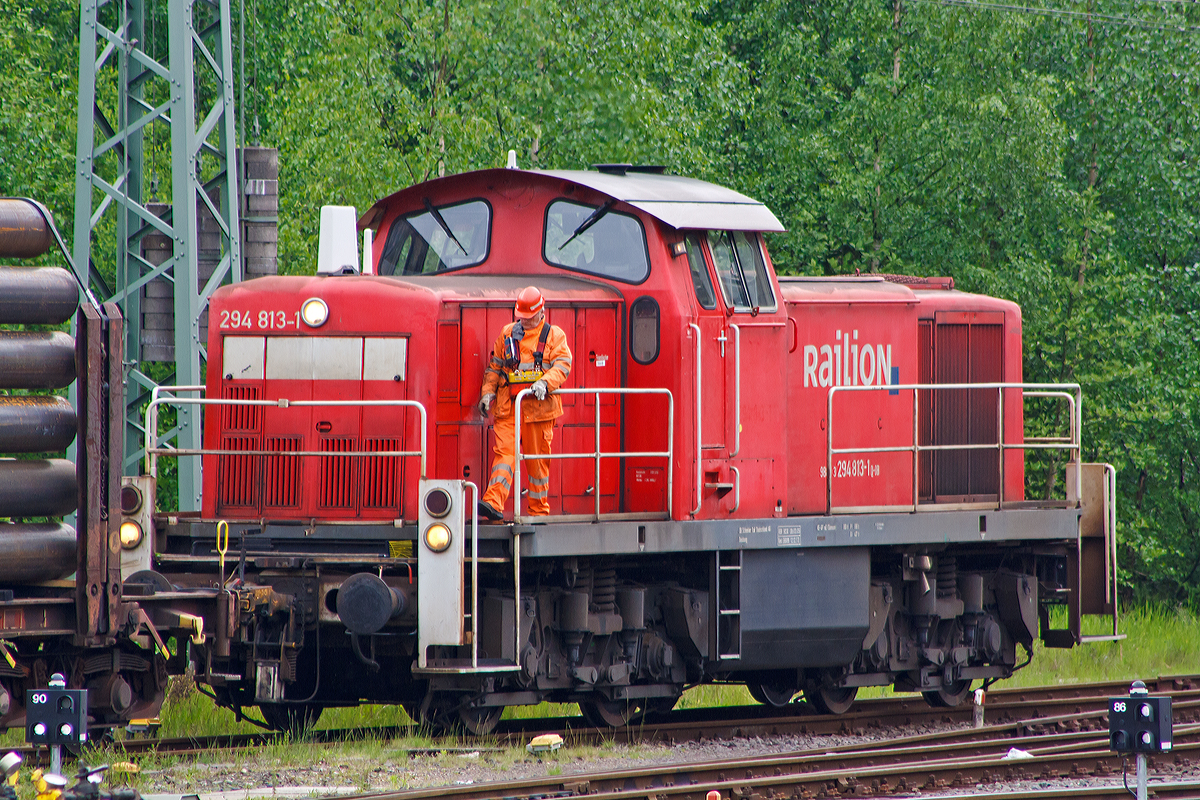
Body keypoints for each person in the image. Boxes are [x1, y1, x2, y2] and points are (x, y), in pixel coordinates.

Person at [477, 286, 572, 519]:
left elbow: (562, 366)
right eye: (522, 318)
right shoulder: (507, 333)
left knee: (537, 464)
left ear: (542, 312)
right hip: (508, 407)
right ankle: (493, 503)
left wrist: (545, 384)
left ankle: (538, 512)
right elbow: (495, 367)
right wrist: (487, 393)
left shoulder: (554, 336)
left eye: (529, 318)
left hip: (539, 410)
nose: (525, 322)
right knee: (505, 455)